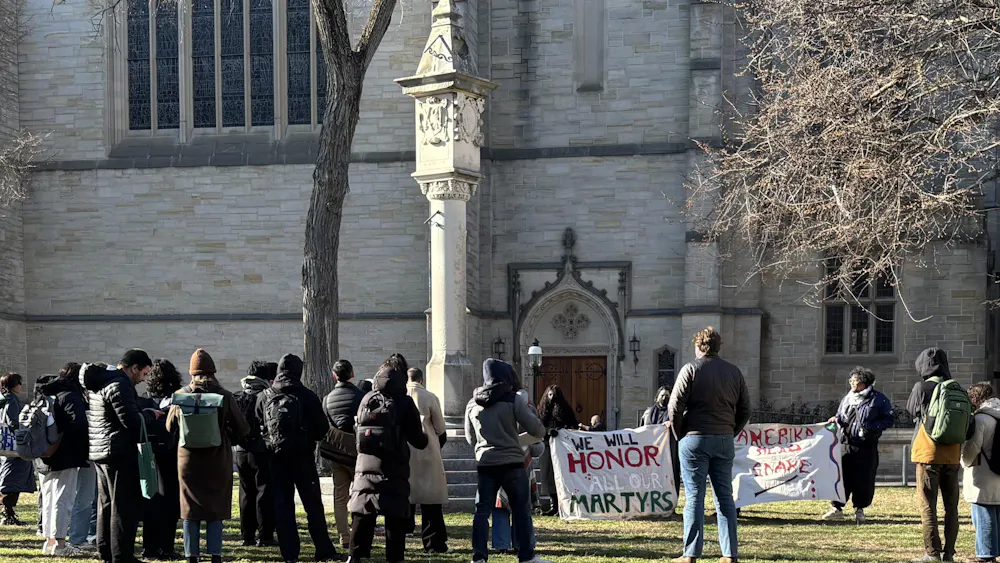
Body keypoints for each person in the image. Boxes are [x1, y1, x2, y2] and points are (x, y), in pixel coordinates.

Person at [667, 326, 751, 563]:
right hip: (723, 439)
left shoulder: (690, 369)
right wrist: (730, 431)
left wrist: (679, 433)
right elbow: (746, 408)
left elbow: (674, 407)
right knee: (724, 496)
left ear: (698, 346)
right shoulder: (734, 372)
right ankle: (729, 553)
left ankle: (691, 553)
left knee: (694, 496)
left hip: (695, 438)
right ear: (717, 347)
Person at [166, 349, 250, 563]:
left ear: (191, 373)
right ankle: (215, 554)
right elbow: (243, 428)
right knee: (215, 507)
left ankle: (191, 555)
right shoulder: (224, 396)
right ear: (213, 372)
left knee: (189, 508)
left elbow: (169, 427)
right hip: (217, 459)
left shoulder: (181, 395)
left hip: (187, 460)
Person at [257, 354, 340, 563]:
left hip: (276, 458)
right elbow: (322, 428)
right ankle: (323, 549)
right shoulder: (307, 395)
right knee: (313, 505)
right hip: (302, 457)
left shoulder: (265, 396)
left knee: (283, 505)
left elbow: (256, 425)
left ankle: (290, 553)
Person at [466, 358, 549, 563]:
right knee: (521, 510)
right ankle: (526, 556)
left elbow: (470, 438)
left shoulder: (472, 403)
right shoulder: (513, 400)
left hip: (486, 463)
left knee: (482, 512)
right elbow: (536, 429)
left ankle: (479, 557)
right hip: (512, 462)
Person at [83, 350, 162, 563]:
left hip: (101, 450)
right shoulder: (121, 384)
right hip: (119, 451)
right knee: (124, 507)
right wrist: (149, 415)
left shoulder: (100, 384)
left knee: (106, 505)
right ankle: (122, 555)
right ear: (134, 368)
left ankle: (106, 550)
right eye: (144, 373)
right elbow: (130, 421)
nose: (143, 379)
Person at [347, 355, 428, 563]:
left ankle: (356, 555)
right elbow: (418, 440)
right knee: (395, 514)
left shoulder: (367, 398)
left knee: (363, 509)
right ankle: (394, 557)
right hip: (395, 465)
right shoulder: (404, 402)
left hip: (366, 463)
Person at [907, 348, 969, 563]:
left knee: (928, 505)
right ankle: (949, 554)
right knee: (952, 507)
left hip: (928, 454)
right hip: (952, 454)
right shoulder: (956, 388)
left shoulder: (921, 387)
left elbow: (911, 410)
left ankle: (932, 553)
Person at [823, 367, 894, 523]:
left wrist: (872, 428)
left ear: (863, 383)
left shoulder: (878, 399)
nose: (851, 383)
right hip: (845, 443)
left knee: (864, 478)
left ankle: (860, 509)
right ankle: (837, 508)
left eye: (853, 380)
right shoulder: (847, 398)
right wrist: (835, 420)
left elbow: (889, 419)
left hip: (866, 446)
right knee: (842, 476)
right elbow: (841, 416)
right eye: (851, 380)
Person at [33, 366, 89, 557]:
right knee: (63, 499)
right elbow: (78, 424)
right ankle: (60, 544)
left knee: (48, 500)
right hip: (65, 455)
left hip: (43, 453)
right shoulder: (70, 396)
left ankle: (49, 542)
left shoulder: (44, 393)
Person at [489, 369, 544, 556]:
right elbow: (536, 435)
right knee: (521, 504)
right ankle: (522, 542)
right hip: (520, 457)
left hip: (496, 456)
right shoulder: (522, 402)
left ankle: (501, 542)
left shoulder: (486, 401)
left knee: (501, 503)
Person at [140, 359, 183, 560]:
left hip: (149, 452)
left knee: (150, 498)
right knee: (170, 500)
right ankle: (166, 546)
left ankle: (149, 547)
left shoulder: (145, 401)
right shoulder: (177, 400)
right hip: (171, 452)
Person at [321, 359, 365, 550]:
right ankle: (359, 533)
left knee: (340, 496)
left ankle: (344, 537)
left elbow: (327, 424)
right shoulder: (361, 396)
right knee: (361, 493)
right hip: (358, 451)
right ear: (352, 374)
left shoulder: (327, 399)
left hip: (337, 452)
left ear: (334, 376)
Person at [406, 367, 449, 553]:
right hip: (427, 450)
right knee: (431, 501)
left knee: (405, 497)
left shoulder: (399, 396)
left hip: (404, 452)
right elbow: (440, 428)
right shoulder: (430, 397)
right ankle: (433, 542)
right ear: (421, 380)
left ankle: (400, 540)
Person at [234, 360, 275, 547]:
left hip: (240, 450)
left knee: (245, 491)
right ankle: (265, 535)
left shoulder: (238, 395)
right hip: (261, 449)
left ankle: (247, 535)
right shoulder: (266, 396)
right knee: (264, 491)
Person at [962, 382, 1000, 563]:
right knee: (996, 513)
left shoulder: (981, 419)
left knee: (983, 513)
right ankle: (994, 551)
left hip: (982, 470)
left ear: (976, 398)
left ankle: (986, 554)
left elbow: (973, 447)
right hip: (998, 471)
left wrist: (964, 461)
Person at [536, 384, 578, 516]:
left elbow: (574, 425)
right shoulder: (541, 411)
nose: (552, 397)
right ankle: (554, 504)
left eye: (554, 395)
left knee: (562, 475)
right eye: (549, 395)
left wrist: (563, 431)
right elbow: (537, 427)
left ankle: (563, 505)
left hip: (562, 448)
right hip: (547, 446)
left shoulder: (565, 409)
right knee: (549, 476)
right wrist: (548, 431)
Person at [0, 372, 35, 527]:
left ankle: (8, 511)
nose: (21, 386)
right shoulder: (12, 400)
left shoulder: (3, 399)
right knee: (13, 478)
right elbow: (13, 422)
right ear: (14, 385)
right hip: (13, 445)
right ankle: (8, 512)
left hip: (5, 444)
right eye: (19, 383)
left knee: (9, 475)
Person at [642, 385, 681, 517]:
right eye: (662, 395)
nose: (664, 398)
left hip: (669, 451)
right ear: (657, 397)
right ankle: (651, 505)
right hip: (652, 452)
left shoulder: (674, 413)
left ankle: (670, 505)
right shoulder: (648, 413)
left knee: (671, 476)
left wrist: (672, 424)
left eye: (667, 396)